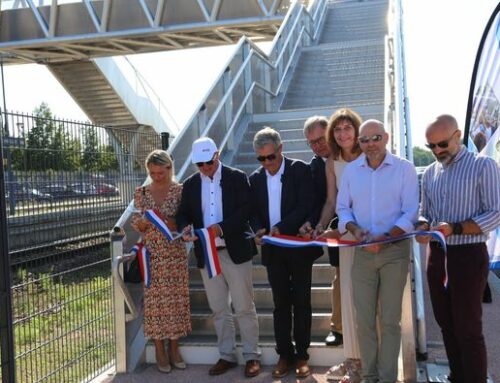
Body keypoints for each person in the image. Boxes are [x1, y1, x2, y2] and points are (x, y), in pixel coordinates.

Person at [416, 114, 500, 383]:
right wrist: (421, 225)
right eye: (431, 146)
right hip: (437, 256)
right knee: (445, 323)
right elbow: (424, 212)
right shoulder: (429, 172)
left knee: (468, 327)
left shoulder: (483, 165)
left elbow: (496, 213)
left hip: (468, 254)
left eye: (442, 144)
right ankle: (457, 375)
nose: (437, 151)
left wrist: (456, 227)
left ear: (458, 135)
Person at [337, 119, 419, 383]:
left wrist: (385, 238)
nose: (370, 144)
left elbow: (410, 212)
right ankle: (370, 376)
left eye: (375, 138)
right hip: (362, 252)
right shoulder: (351, 171)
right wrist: (356, 230)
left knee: (390, 320)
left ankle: (387, 378)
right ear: (358, 143)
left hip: (394, 251)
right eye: (364, 140)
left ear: (386, 137)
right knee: (364, 320)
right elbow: (343, 209)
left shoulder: (404, 169)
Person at [176, 137, 261, 378]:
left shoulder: (236, 177)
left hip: (236, 252)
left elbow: (246, 210)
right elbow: (183, 213)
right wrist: (185, 227)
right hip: (207, 254)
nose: (205, 168)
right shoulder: (191, 184)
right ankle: (226, 355)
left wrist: (220, 228)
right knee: (218, 308)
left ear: (218, 155)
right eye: (199, 164)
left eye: (208, 163)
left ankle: (252, 356)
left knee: (244, 306)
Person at [249, 127, 321, 379]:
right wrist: (259, 229)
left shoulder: (300, 169)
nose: (266, 163)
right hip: (273, 250)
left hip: (299, 247)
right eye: (261, 158)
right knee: (280, 304)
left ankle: (302, 355)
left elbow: (306, 204)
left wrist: (282, 227)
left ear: (280, 149)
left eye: (271, 156)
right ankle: (284, 355)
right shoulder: (255, 178)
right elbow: (253, 211)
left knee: (302, 302)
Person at [314, 108, 364, 382]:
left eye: (347, 128)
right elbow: (331, 202)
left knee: (369, 302)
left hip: (373, 235)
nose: (343, 134)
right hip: (346, 236)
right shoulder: (331, 161)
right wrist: (322, 225)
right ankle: (353, 360)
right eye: (337, 129)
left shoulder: (370, 154)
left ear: (357, 131)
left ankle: (370, 361)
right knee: (347, 297)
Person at [131, 150, 190, 373]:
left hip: (174, 254)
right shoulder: (141, 192)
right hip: (152, 255)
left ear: (169, 168)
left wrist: (169, 221)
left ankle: (174, 347)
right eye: (152, 173)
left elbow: (186, 218)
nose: (157, 176)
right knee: (155, 305)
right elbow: (136, 220)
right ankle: (159, 348)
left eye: (161, 172)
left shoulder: (180, 190)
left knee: (175, 302)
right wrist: (142, 225)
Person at [299, 116, 343, 348]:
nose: (317, 146)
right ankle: (338, 328)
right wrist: (313, 223)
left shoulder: (353, 154)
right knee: (340, 278)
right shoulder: (313, 167)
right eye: (311, 143)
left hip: (363, 229)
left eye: (320, 139)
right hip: (335, 231)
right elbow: (317, 202)